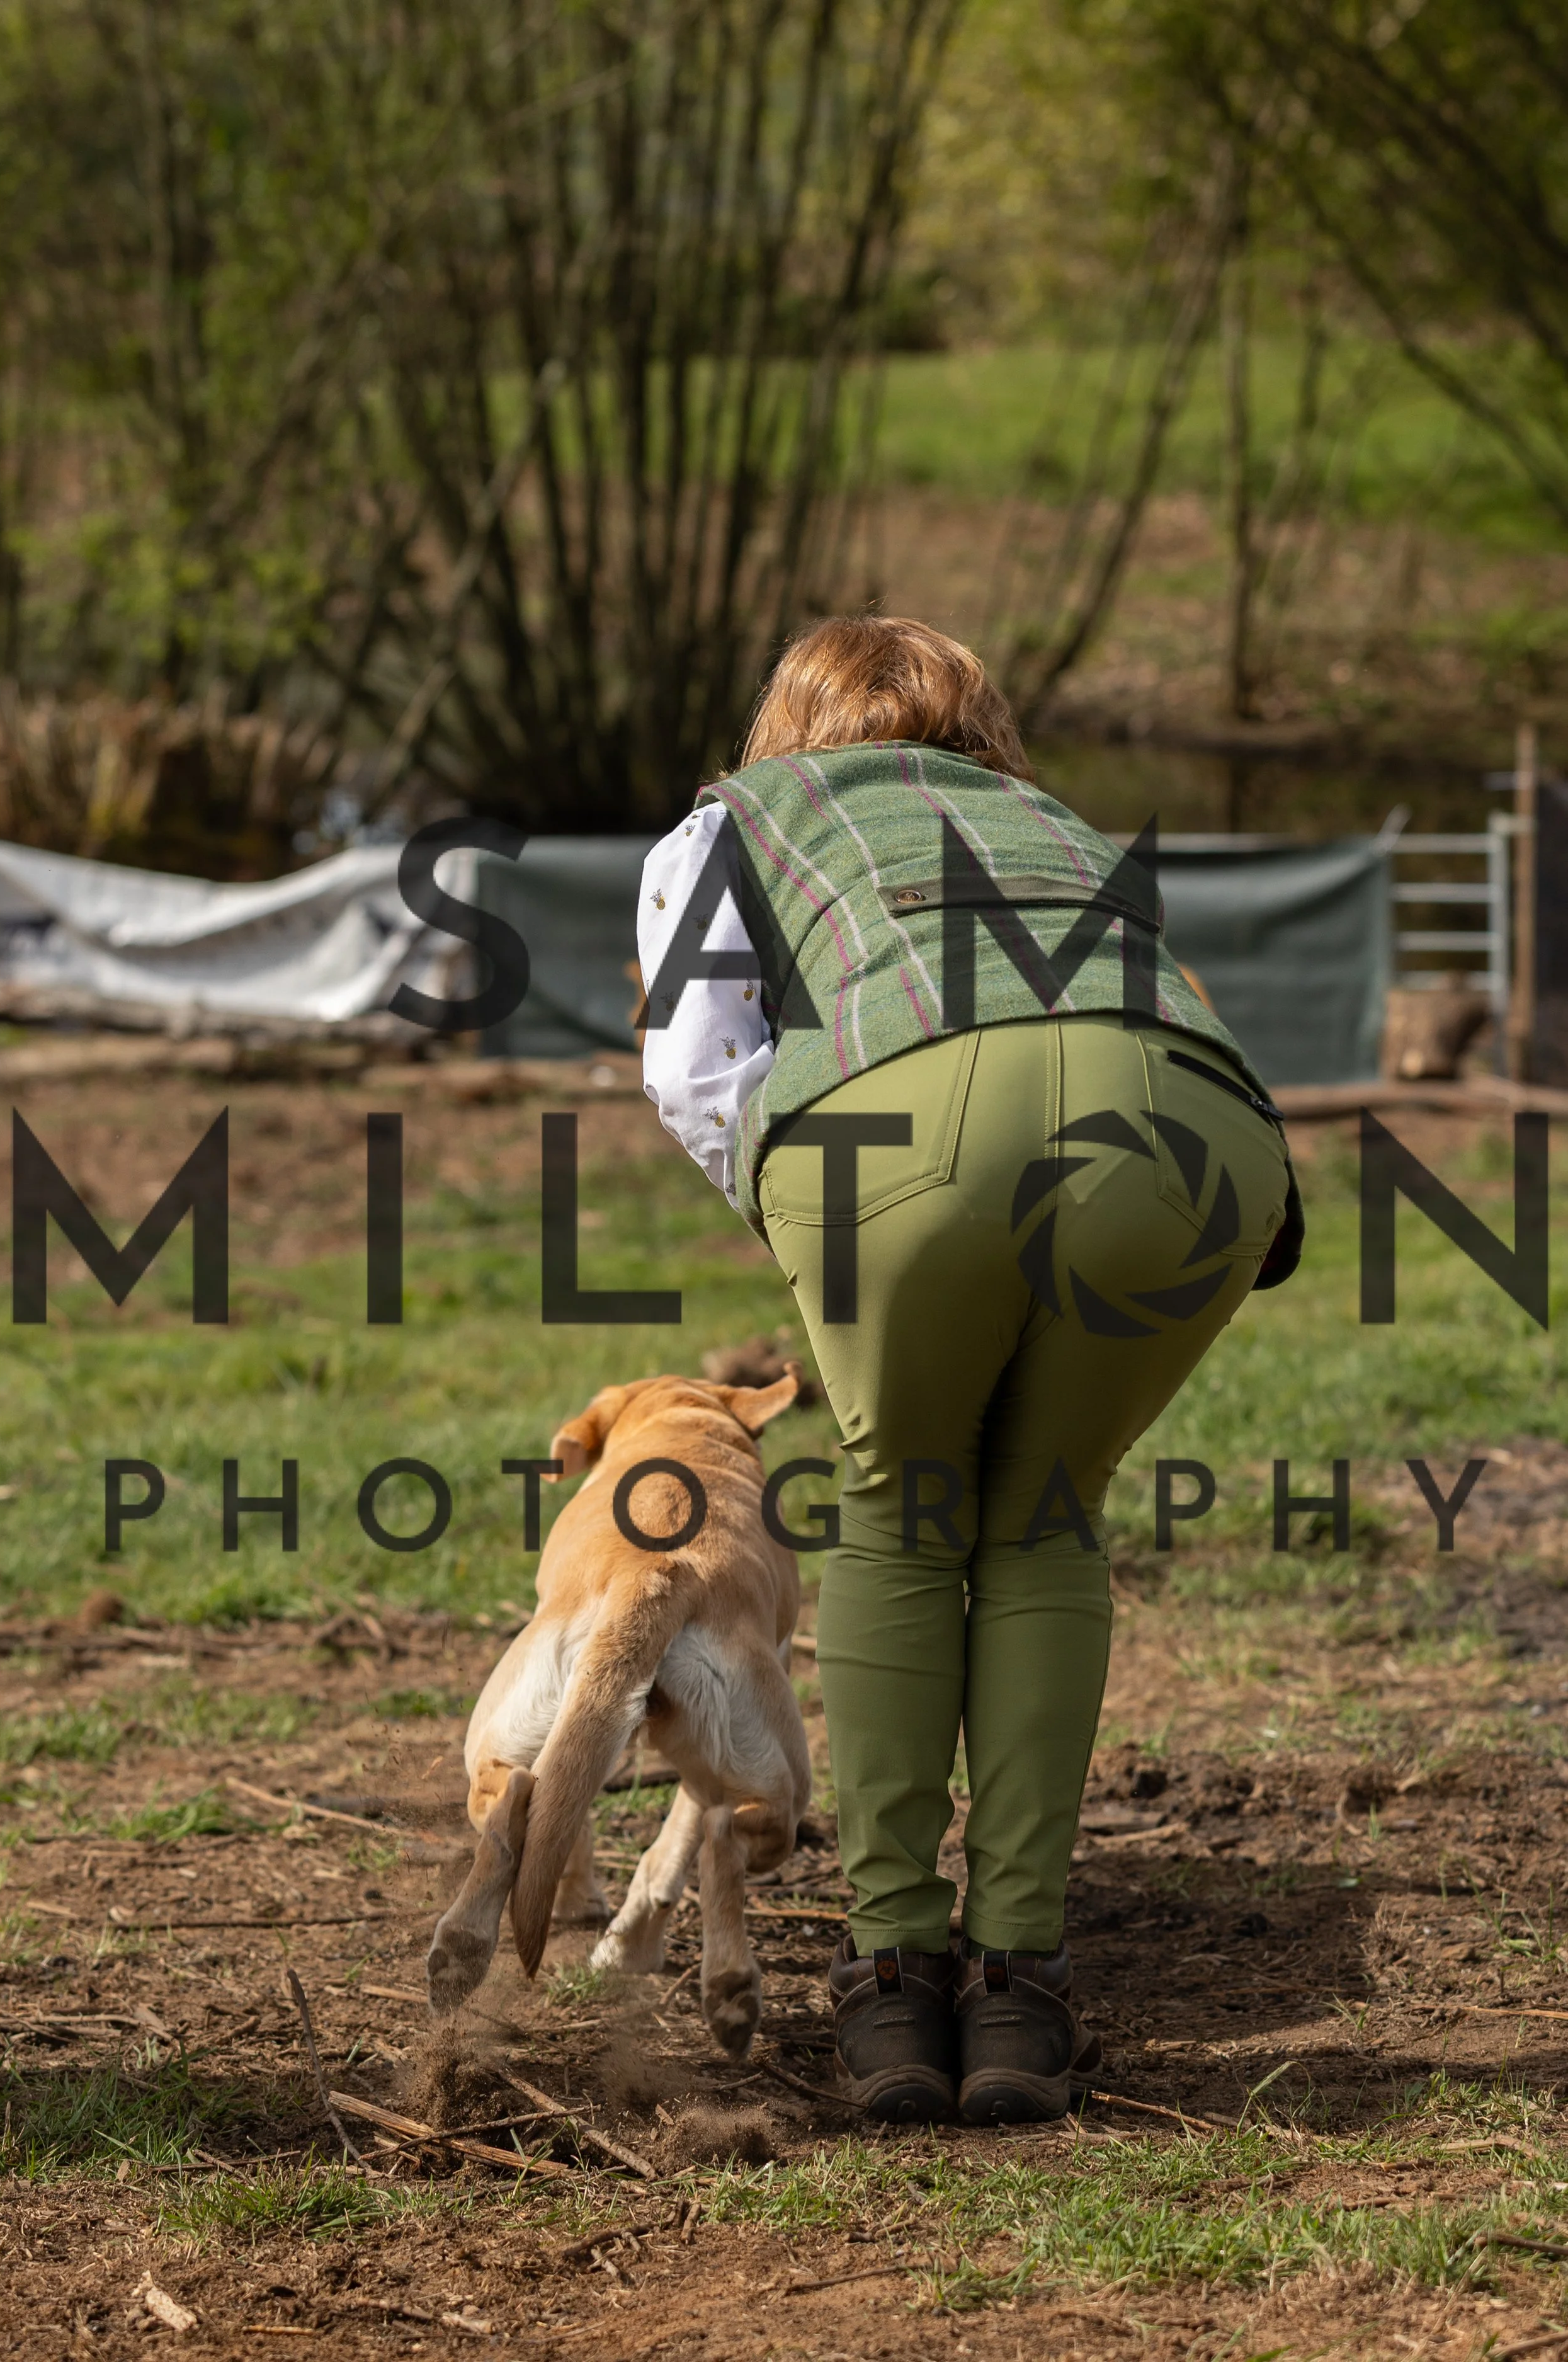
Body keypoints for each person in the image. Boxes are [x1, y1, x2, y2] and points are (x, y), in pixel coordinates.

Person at [635, 615, 1301, 2125]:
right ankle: (1017, 1991)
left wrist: (817, 1216)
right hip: (1197, 1133)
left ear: (785, 722)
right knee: (1045, 1514)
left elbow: (696, 1068)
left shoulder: (730, 823)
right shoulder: (1048, 821)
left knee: (898, 1507)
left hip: (906, 1127)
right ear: (979, 725)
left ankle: (891, 1985)